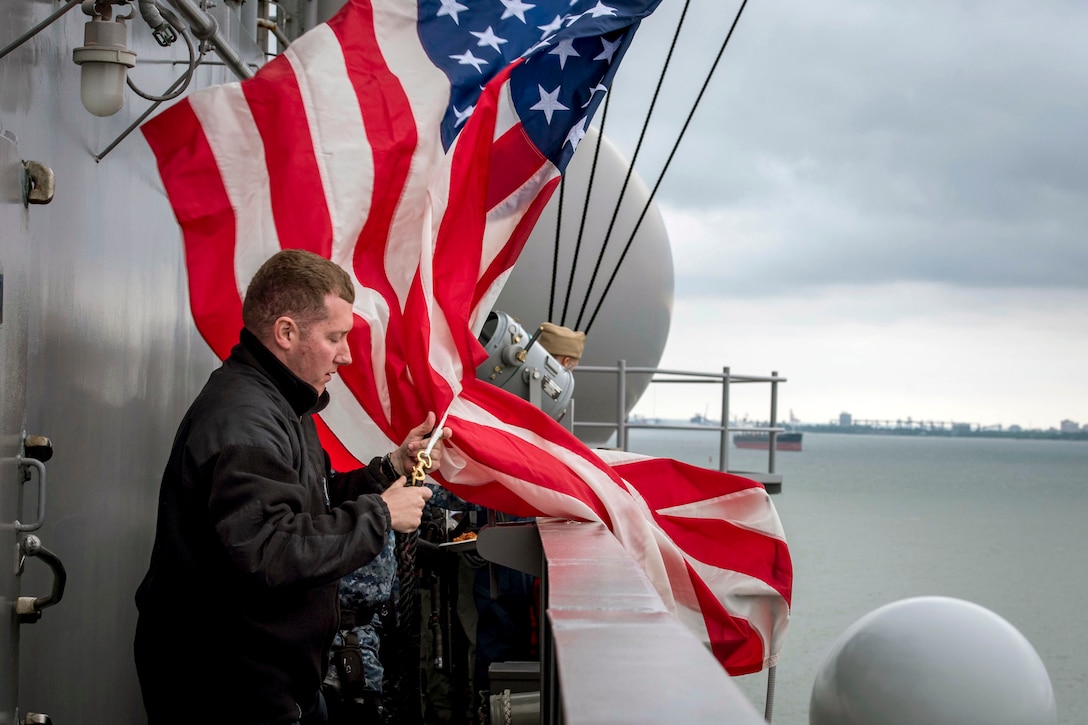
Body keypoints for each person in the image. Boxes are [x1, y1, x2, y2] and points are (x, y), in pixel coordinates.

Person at [134, 249, 448, 725]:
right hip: (229, 691)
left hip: (274, 678)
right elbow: (271, 548)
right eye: (335, 337)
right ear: (286, 333)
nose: (345, 354)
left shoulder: (280, 405)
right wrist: (382, 515)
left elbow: (311, 503)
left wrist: (388, 469)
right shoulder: (245, 422)